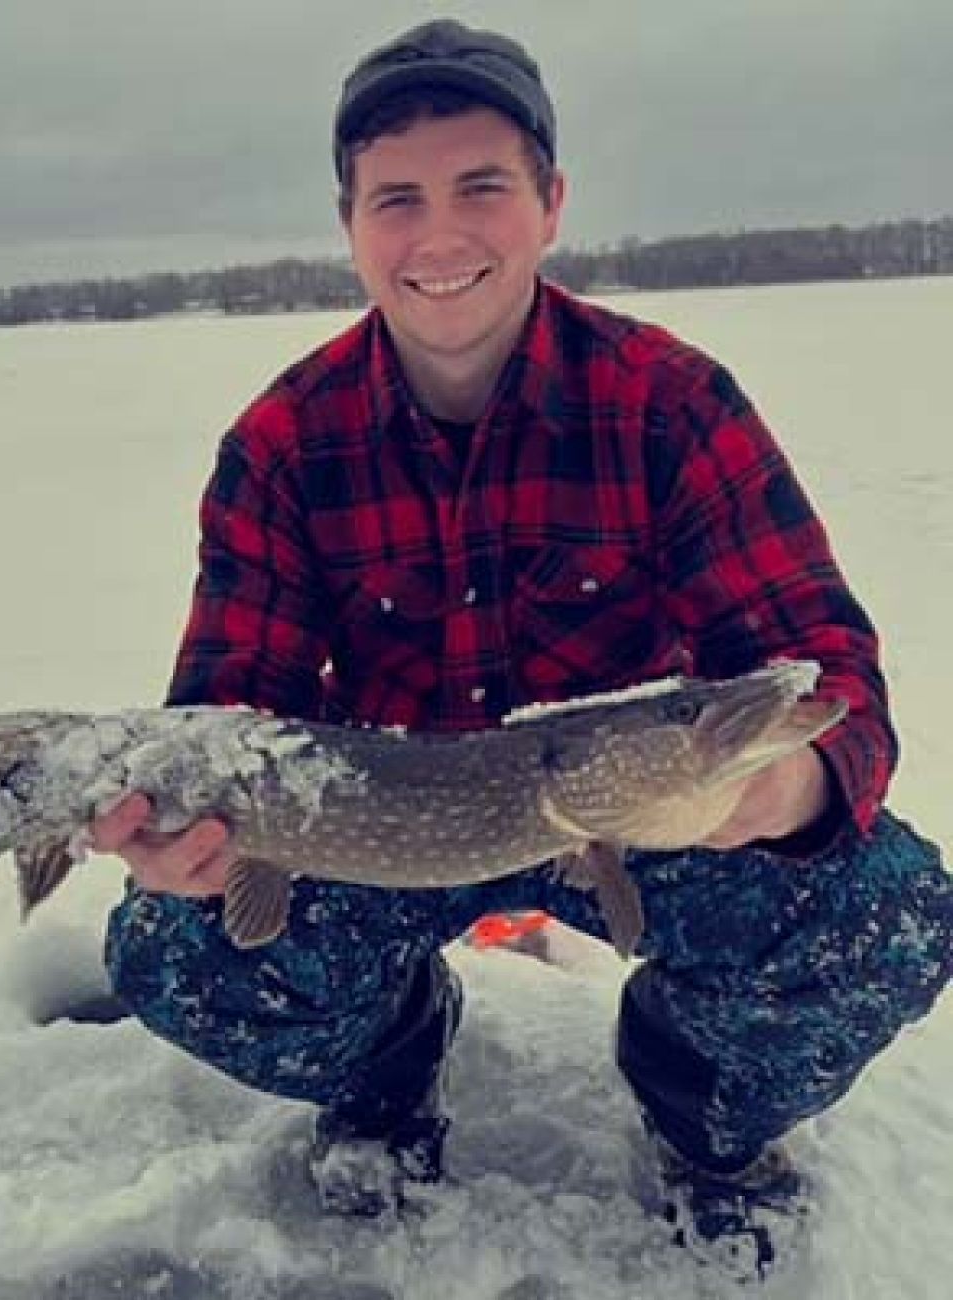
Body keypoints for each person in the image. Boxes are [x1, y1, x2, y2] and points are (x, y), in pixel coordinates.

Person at [87, 18, 952, 1282]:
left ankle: (701, 1110)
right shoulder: (283, 442)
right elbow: (230, 717)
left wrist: (784, 786)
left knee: (883, 913)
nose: (440, 237)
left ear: (550, 204)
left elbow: (823, 670)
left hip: (634, 818)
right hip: (376, 837)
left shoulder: (669, 402)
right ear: (351, 225)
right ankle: (385, 1058)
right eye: (398, 199)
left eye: (482, 187)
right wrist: (186, 840)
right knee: (179, 954)